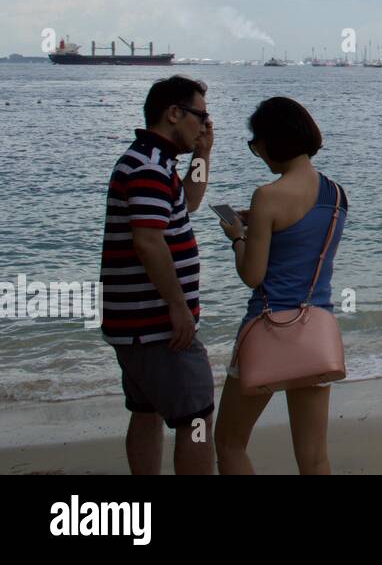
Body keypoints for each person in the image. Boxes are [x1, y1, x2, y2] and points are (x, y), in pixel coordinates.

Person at [213, 97, 347, 475]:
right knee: (314, 456)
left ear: (273, 142)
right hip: (315, 331)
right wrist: (260, 227)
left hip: (267, 329)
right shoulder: (337, 195)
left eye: (257, 145)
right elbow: (304, 247)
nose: (259, 154)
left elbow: (253, 275)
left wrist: (238, 237)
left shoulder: (267, 196)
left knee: (230, 442)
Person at [102, 75, 215, 474]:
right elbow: (148, 241)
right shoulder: (150, 166)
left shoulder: (152, 161)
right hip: (157, 325)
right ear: (173, 113)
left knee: (147, 410)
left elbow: (191, 202)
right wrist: (178, 306)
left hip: (137, 324)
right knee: (198, 419)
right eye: (200, 116)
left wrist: (203, 154)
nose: (205, 124)